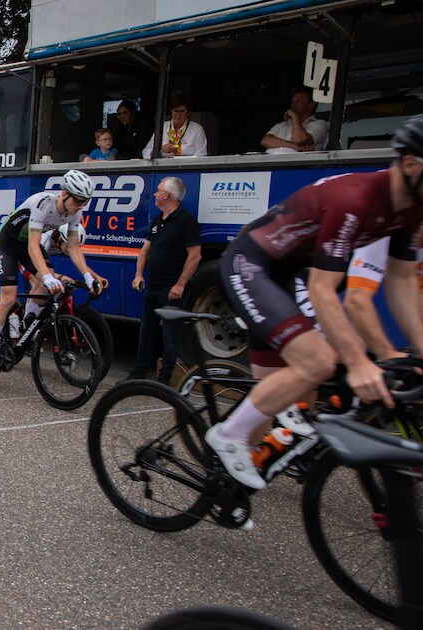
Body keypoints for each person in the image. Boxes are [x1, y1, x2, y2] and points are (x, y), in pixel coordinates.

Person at [205, 115, 423, 490]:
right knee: (320, 360)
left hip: (290, 272)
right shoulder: (357, 199)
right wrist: (357, 363)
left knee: (273, 397)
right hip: (251, 263)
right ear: (410, 164)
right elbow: (324, 290)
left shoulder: (413, 211)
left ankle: (222, 491)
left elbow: (402, 281)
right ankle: (226, 435)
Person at [0, 169, 109, 379]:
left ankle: (25, 324)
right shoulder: (43, 203)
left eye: (85, 202)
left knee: (44, 286)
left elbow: (74, 248)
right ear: (65, 194)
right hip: (9, 244)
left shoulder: (75, 212)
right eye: (78, 201)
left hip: (29, 246)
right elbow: (32, 245)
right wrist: (47, 276)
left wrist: (87, 276)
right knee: (9, 297)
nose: (81, 206)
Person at [127, 177, 201, 384]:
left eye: (158, 190)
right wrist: (139, 274)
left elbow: (195, 256)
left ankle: (164, 379)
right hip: (153, 286)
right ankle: (139, 373)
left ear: (167, 195)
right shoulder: (158, 219)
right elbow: (145, 250)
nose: (154, 194)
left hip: (171, 290)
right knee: (146, 332)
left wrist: (180, 284)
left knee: (169, 335)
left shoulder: (186, 221)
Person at [261, 86, 328, 154]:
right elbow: (265, 141)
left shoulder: (320, 124)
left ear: (311, 104)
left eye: (298, 101)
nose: (293, 104)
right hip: (269, 162)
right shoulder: (282, 125)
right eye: (292, 102)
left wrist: (295, 116)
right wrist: (294, 146)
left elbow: (299, 140)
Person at [142, 96, 208, 158]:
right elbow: (145, 152)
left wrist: (178, 159)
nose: (178, 114)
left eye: (182, 111)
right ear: (171, 111)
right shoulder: (162, 128)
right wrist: (160, 149)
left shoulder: (197, 130)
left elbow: (201, 156)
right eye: (175, 111)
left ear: (188, 113)